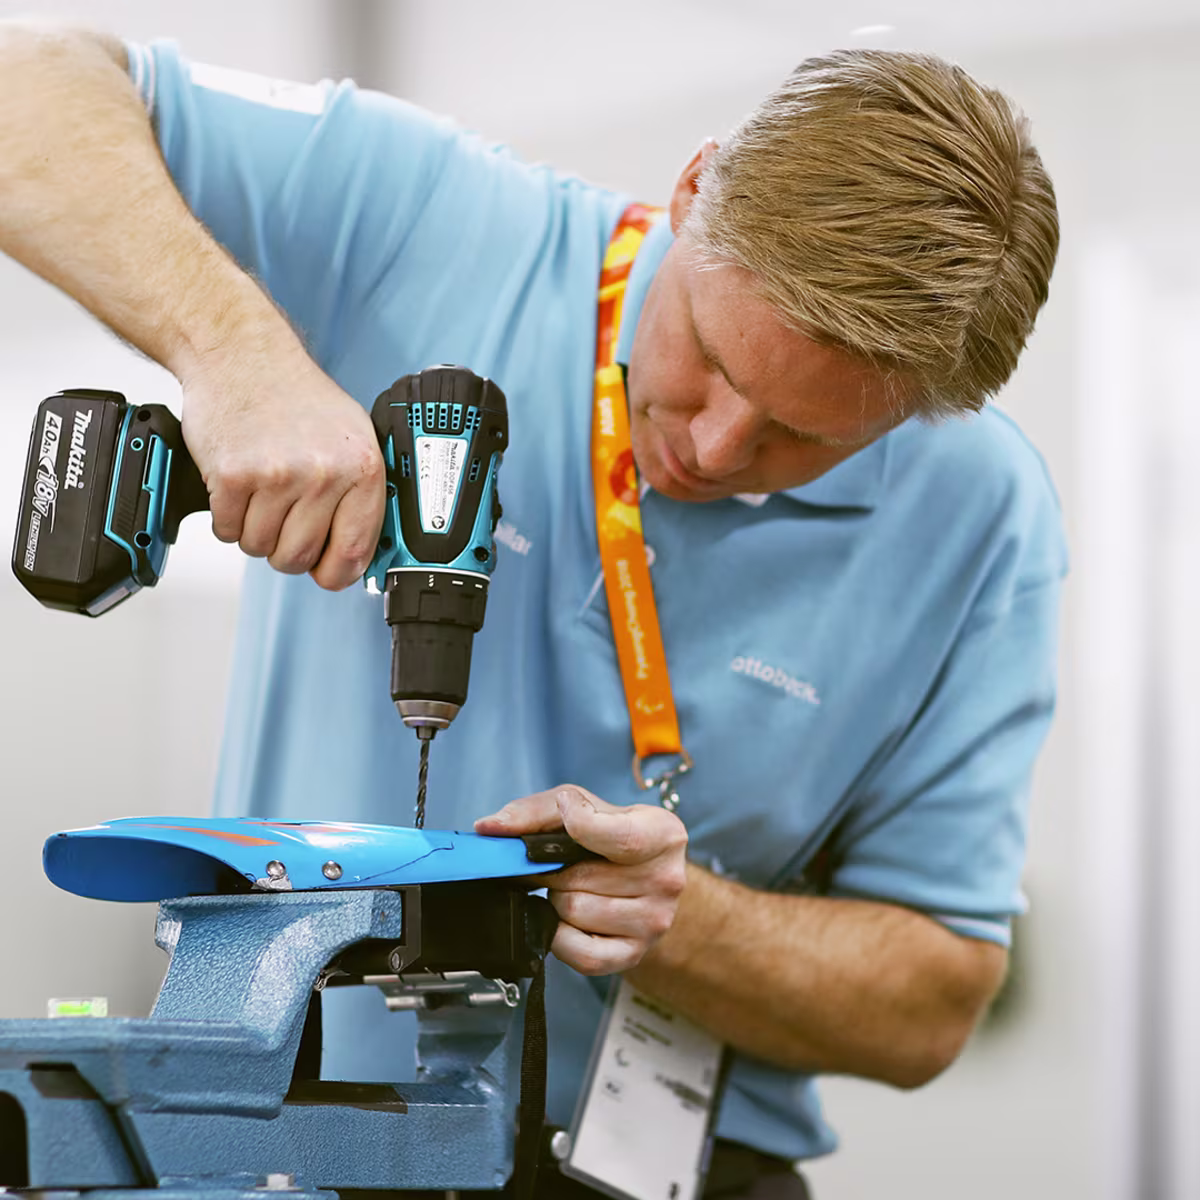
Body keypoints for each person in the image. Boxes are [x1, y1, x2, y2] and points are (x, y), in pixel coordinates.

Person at [0, 22, 1064, 1199]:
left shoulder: (982, 517)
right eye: (708, 351)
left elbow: (928, 1007)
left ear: (921, 412)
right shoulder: (433, 221)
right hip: (271, 1141)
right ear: (695, 186)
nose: (713, 446)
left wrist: (676, 920)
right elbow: (24, 82)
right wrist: (238, 357)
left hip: (665, 1172)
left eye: (804, 435)